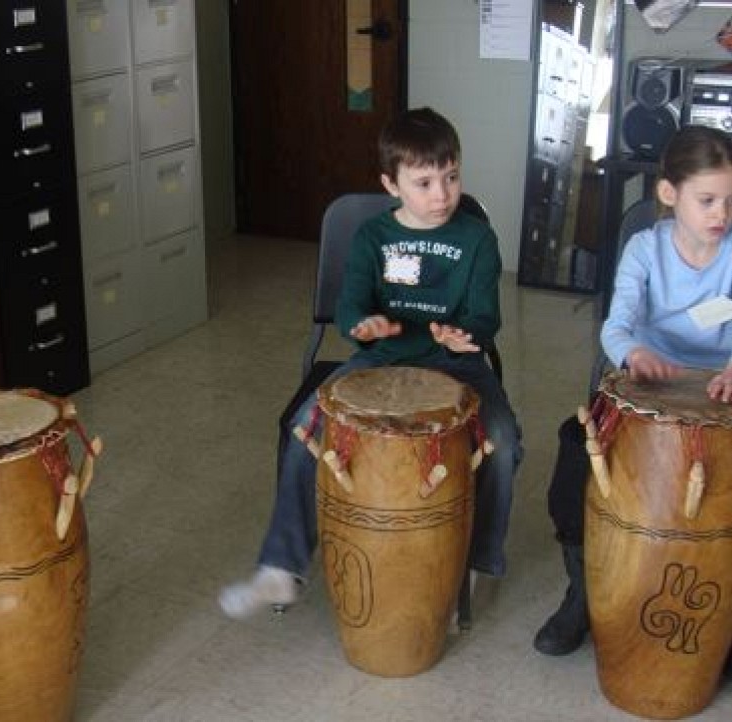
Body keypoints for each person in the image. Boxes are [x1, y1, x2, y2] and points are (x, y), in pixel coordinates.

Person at [218, 107, 523, 618]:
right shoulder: (372, 238)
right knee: (303, 428)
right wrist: (363, 325)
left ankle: (480, 563)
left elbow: (484, 318)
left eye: (451, 177)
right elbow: (350, 309)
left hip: (457, 368)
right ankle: (282, 568)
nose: (441, 195)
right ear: (392, 183)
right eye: (423, 182)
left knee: (504, 442)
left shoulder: (477, 238)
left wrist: (463, 334)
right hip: (378, 364)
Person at [534, 124, 732, 688]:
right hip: (649, 383)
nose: (721, 214)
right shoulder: (645, 246)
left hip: (727, 384)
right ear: (668, 193)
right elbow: (619, 321)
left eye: (731, 200)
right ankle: (582, 595)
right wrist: (632, 351)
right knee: (574, 455)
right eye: (707, 200)